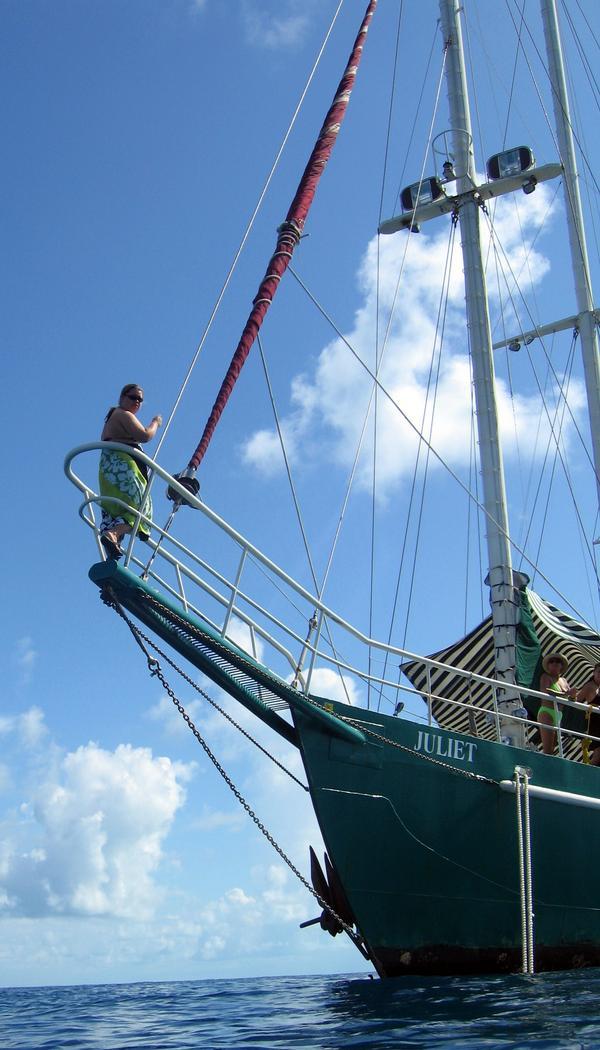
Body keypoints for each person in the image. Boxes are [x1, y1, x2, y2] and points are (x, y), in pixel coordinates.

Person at [98, 383, 162, 558]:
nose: (137, 402)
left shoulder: (113, 417)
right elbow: (145, 435)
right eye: (133, 397)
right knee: (142, 510)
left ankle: (113, 548)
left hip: (109, 470)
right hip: (123, 468)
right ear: (122, 398)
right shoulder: (122, 414)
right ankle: (113, 535)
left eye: (140, 400)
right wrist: (155, 422)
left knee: (118, 511)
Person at [537, 653, 576, 756]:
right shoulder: (545, 676)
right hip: (547, 712)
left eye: (558, 661)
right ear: (548, 665)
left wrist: (573, 695)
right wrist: (566, 694)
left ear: (561, 665)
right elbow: (545, 691)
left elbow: (571, 699)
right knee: (548, 750)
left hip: (559, 714)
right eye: (552, 661)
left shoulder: (564, 681)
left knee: (553, 748)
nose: (554, 663)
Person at [577, 663, 600, 766]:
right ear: (594, 672)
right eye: (599, 672)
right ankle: (585, 772)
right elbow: (577, 700)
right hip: (594, 724)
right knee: (598, 753)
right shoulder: (590, 686)